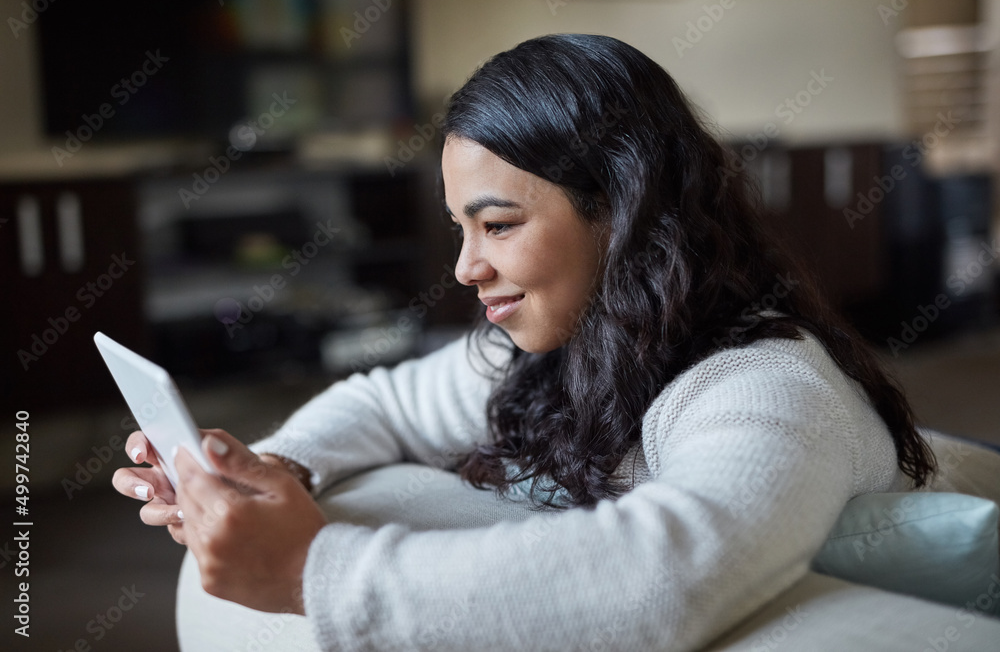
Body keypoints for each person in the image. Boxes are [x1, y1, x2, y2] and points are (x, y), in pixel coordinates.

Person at [113, 33, 936, 650]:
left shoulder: (765, 382)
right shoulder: (568, 346)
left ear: (624, 211)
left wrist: (309, 570)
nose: (468, 268)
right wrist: (276, 467)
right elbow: (383, 400)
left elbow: (667, 576)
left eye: (498, 225)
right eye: (460, 230)